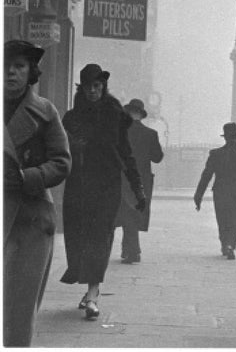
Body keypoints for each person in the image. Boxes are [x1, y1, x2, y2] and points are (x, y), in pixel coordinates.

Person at [60, 64, 146, 320]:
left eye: (97, 86)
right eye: (88, 86)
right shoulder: (71, 118)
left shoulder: (114, 115)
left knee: (100, 236)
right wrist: (72, 147)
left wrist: (138, 188)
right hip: (78, 185)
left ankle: (93, 294)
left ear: (103, 87)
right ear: (82, 87)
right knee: (79, 238)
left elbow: (126, 154)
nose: (93, 91)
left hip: (106, 185)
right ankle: (88, 288)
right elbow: (57, 152)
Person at [4, 40, 71, 347]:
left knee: (19, 306)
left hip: (29, 218)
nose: (10, 73)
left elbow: (62, 162)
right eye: (5, 67)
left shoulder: (45, 112)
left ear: (30, 71)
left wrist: (26, 176)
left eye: (18, 67)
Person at [194, 122, 236, 260]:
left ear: (225, 138)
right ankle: (231, 244)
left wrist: (198, 195)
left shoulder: (216, 154)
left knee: (223, 220)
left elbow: (206, 175)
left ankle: (225, 244)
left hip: (221, 192)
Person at [115, 98, 164, 264]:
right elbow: (158, 158)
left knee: (126, 212)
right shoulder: (151, 134)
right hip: (142, 179)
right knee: (134, 212)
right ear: (141, 115)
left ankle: (132, 250)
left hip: (123, 177)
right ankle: (130, 249)